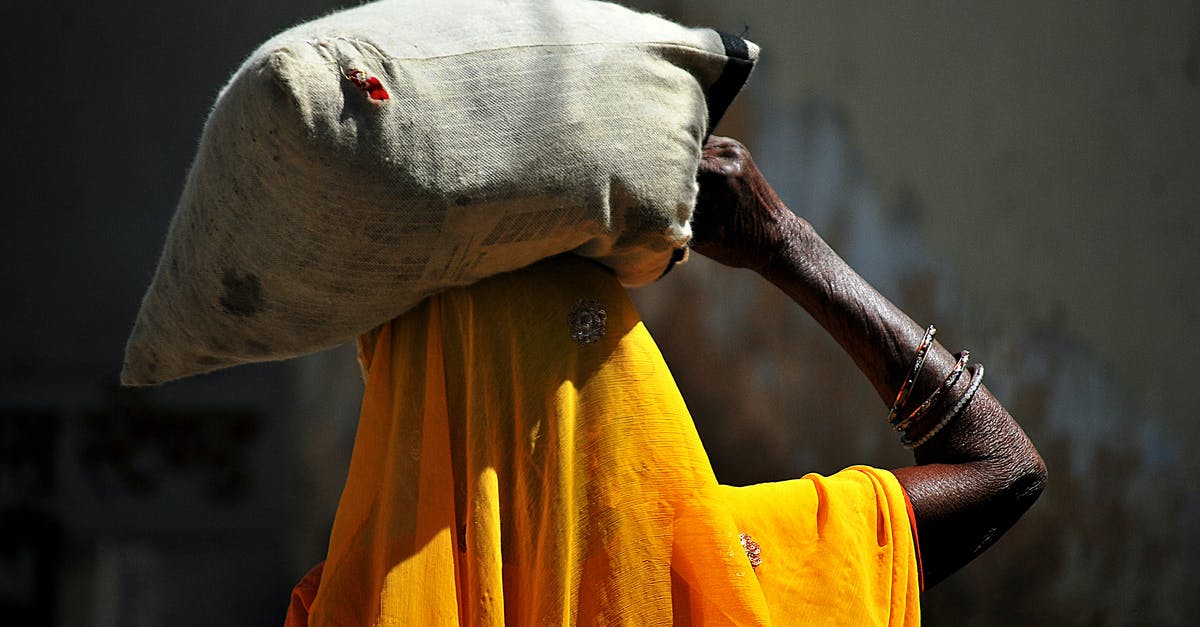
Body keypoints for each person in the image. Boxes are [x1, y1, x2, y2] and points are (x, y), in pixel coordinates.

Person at [285, 137, 1046, 625]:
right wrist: (786, 244)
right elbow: (1005, 469)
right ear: (621, 379)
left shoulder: (341, 608)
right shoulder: (727, 570)